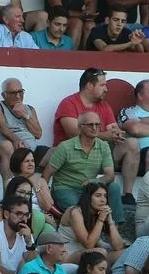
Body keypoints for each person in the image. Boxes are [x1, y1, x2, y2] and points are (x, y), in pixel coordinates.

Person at [51, 67, 137, 206]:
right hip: (73, 157)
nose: (106, 89)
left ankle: (128, 194)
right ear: (90, 86)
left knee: (132, 144)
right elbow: (74, 133)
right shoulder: (69, 103)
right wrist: (105, 136)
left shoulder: (104, 106)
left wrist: (117, 134)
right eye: (102, 85)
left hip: (98, 154)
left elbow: (113, 129)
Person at [57, 182, 125, 265]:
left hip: (90, 253)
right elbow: (88, 245)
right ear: (88, 198)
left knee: (124, 253)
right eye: (98, 196)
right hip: (68, 254)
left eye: (105, 196)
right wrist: (100, 220)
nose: (103, 200)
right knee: (100, 253)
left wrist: (110, 221)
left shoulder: (100, 213)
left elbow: (118, 247)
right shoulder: (75, 212)